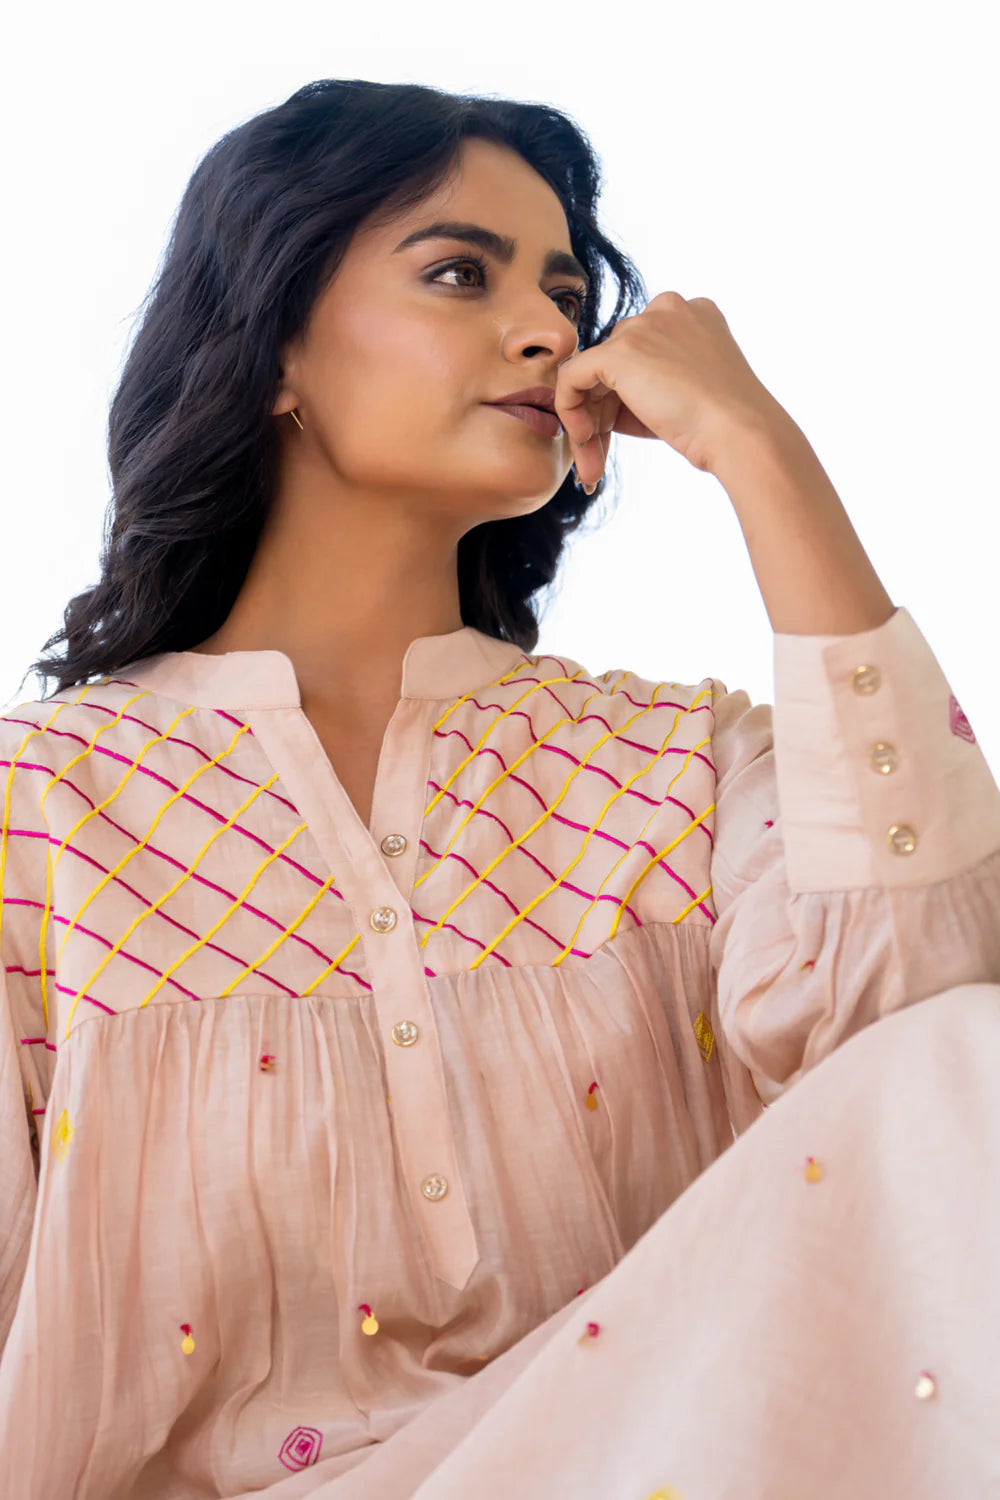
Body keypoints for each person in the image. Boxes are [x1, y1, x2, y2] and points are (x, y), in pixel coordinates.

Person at [1, 78, 997, 1500]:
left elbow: (930, 1023)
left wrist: (761, 454)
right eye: (461, 274)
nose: (549, 332)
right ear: (273, 343)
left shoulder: (674, 768)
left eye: (568, 295)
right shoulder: (42, 810)